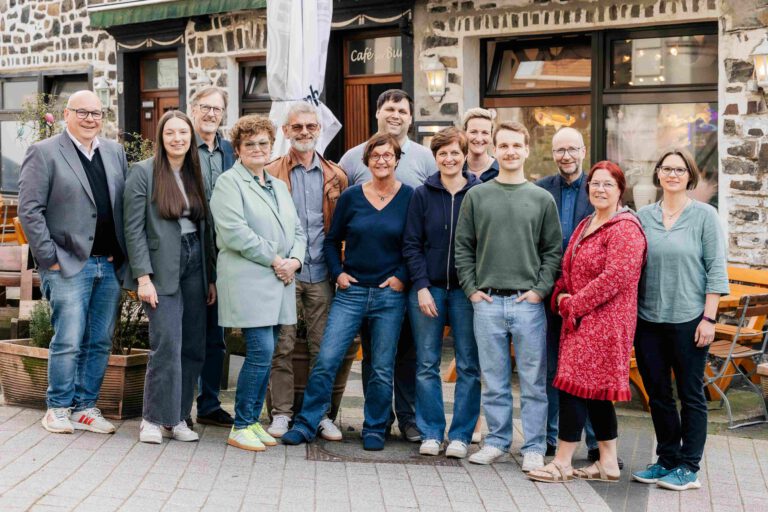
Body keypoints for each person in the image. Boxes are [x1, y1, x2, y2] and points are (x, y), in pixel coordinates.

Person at [282, 133, 414, 451]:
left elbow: (416, 245)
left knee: (381, 366)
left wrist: (401, 277)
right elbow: (330, 240)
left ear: (397, 159)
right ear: (366, 161)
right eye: (375, 155)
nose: (382, 160)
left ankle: (375, 426)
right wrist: (338, 273)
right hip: (352, 292)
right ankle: (306, 422)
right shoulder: (353, 197)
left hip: (389, 296)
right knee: (327, 358)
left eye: (388, 155)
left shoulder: (410, 197)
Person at [527, 161, 646, 484]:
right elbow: (568, 267)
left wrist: (573, 304)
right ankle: (607, 462)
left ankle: (563, 460)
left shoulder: (625, 228)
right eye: (595, 184)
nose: (600, 189)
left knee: (572, 386)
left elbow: (615, 278)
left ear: (620, 190)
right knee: (594, 392)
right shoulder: (586, 224)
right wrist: (562, 294)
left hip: (607, 322)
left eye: (608, 184)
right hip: (579, 319)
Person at [19, 90, 127, 435]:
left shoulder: (114, 152)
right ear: (67, 114)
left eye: (96, 113)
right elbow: (30, 210)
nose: (91, 119)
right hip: (67, 264)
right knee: (68, 338)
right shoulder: (44, 152)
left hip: (107, 265)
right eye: (83, 112)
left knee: (99, 340)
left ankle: (85, 407)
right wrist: (49, 258)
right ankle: (57, 408)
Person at [454, 121, 562, 468]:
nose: (511, 152)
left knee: (533, 380)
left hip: (527, 303)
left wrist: (539, 291)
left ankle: (533, 446)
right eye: (504, 146)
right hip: (486, 301)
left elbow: (552, 252)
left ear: (527, 150)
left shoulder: (542, 199)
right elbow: (463, 247)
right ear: (494, 151)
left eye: (517, 145)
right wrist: (471, 289)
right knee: (494, 378)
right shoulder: (477, 196)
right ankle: (497, 440)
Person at [338, 89, 436, 442]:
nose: (395, 115)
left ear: (411, 118)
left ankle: (408, 418)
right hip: (369, 277)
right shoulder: (352, 158)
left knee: (408, 350)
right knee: (374, 353)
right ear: (377, 114)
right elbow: (346, 211)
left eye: (402, 110)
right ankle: (375, 419)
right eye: (389, 108)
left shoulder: (426, 158)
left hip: (411, 272)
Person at [631, 148, 729, 491]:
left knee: (690, 395)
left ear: (689, 176)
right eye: (666, 169)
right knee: (657, 394)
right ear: (658, 174)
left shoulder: (705, 216)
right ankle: (667, 459)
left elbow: (716, 269)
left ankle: (689, 467)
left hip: (690, 320)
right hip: (648, 320)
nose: (672, 174)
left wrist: (709, 318)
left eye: (679, 169)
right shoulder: (643, 216)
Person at [209, 115, 306, 451]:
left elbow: (297, 231)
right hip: (250, 279)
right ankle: (241, 424)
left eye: (263, 143)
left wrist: (295, 260)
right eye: (249, 144)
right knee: (261, 350)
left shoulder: (278, 185)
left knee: (273, 349)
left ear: (271, 146)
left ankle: (251, 419)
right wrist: (277, 260)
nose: (257, 149)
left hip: (280, 280)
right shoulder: (228, 183)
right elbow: (235, 232)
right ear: (237, 149)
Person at [124, 111, 216, 444]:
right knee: (166, 343)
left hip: (195, 264)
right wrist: (143, 277)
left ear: (191, 137)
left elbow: (207, 229)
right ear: (161, 138)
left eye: (183, 133)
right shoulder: (143, 172)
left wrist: (211, 277)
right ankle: (152, 418)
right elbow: (133, 229)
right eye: (170, 133)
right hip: (161, 266)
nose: (177, 138)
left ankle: (177, 417)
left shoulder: (197, 172)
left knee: (193, 345)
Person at [265, 102, 348, 440]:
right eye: (296, 127)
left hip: (321, 273)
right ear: (285, 131)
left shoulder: (336, 175)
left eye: (310, 127)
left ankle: (320, 414)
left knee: (322, 348)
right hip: (283, 273)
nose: (303, 133)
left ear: (319, 131)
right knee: (281, 346)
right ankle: (281, 414)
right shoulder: (270, 173)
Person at [402, 127, 481, 459]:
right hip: (429, 288)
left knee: (468, 365)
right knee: (426, 363)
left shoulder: (479, 193)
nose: (449, 159)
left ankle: (461, 434)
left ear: (465, 155)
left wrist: (476, 287)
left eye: (455, 152)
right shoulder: (422, 194)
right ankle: (432, 432)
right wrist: (421, 287)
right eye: (442, 153)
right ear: (435, 158)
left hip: (465, 292)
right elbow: (411, 245)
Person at [535, 127, 601, 461]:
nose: (566, 156)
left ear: (583, 151)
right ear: (553, 153)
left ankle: (594, 443)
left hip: (588, 296)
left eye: (572, 149)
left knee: (587, 370)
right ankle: (549, 437)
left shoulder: (599, 188)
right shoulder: (540, 189)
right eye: (560, 150)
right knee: (549, 368)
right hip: (549, 292)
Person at [190, 86, 236, 428]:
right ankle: (178, 405)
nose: (210, 114)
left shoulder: (230, 152)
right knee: (187, 332)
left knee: (216, 335)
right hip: (187, 248)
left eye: (216, 109)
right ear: (193, 108)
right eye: (205, 107)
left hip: (222, 252)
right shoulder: (178, 143)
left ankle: (208, 403)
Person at [461, 108, 498, 183]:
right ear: (464, 134)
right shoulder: (456, 170)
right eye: (473, 132)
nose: (479, 139)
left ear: (491, 137)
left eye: (485, 133)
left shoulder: (502, 172)